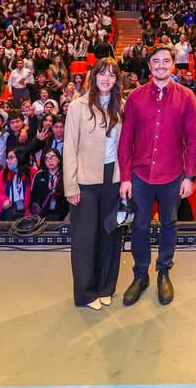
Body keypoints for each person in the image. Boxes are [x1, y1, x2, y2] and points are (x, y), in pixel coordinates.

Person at [118, 44, 196, 306]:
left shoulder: (186, 96)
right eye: (156, 61)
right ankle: (140, 275)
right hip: (140, 174)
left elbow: (193, 138)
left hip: (173, 174)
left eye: (166, 61)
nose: (161, 65)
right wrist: (125, 177)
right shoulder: (134, 97)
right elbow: (125, 139)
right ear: (150, 65)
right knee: (139, 226)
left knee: (169, 224)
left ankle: (164, 271)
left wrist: (189, 176)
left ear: (173, 65)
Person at [64, 58, 126, 310]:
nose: (106, 79)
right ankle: (86, 293)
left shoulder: (121, 106)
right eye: (102, 74)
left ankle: (105, 287)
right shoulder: (77, 106)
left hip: (114, 178)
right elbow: (69, 147)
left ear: (117, 79)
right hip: (86, 180)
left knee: (110, 235)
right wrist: (71, 186)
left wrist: (126, 180)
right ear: (93, 76)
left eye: (112, 75)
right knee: (85, 238)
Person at [0, 147, 35, 221]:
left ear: (20, 158)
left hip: (27, 214)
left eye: (11, 158)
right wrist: (3, 200)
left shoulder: (32, 173)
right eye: (7, 158)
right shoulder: (3, 173)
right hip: (7, 211)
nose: (7, 161)